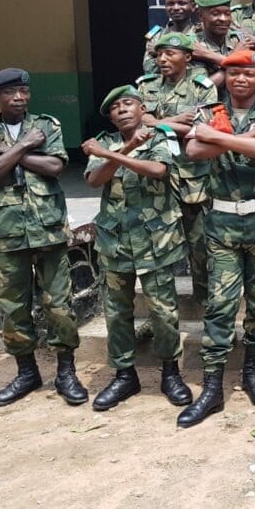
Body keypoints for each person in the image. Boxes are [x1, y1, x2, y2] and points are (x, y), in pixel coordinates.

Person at [177, 49, 255, 428]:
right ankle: (212, 388)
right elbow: (194, 149)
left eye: (250, 73)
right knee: (221, 306)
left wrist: (221, 139)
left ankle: (252, 373)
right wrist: (241, 136)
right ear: (224, 77)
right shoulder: (210, 113)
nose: (241, 79)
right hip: (222, 220)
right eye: (234, 73)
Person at [0, 68, 88, 407]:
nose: (19, 98)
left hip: (48, 231)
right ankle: (27, 372)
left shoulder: (46, 126)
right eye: (10, 93)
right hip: (7, 236)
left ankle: (66, 372)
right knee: (14, 309)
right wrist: (22, 148)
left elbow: (54, 168)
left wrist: (4, 149)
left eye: (23, 91)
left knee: (59, 307)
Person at [82, 86, 192, 411]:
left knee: (164, 312)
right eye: (115, 108)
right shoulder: (103, 141)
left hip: (155, 242)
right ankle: (124, 375)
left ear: (142, 108)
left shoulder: (160, 136)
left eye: (127, 103)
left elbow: (159, 170)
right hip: (115, 242)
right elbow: (93, 180)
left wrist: (113, 154)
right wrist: (121, 151)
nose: (122, 110)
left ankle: (170, 373)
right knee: (117, 314)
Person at [137, 32, 217, 312]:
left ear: (188, 57)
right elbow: (137, 127)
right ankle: (161, 312)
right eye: (159, 54)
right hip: (157, 179)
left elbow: (204, 130)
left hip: (194, 179)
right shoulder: (145, 87)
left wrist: (155, 121)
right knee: (159, 247)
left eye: (170, 54)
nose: (162, 59)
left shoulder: (202, 88)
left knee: (200, 246)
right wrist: (172, 121)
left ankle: (205, 305)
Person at [192, 0, 245, 88]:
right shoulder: (192, 44)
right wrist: (234, 61)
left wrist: (208, 55)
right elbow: (201, 88)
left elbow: (249, 77)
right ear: (200, 15)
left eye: (227, 13)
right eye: (215, 14)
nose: (223, 19)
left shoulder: (239, 39)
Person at [142, 0, 198, 76]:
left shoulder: (200, 34)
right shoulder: (156, 36)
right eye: (170, 4)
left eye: (182, 3)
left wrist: (160, 52)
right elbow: (149, 69)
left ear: (193, 7)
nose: (176, 8)